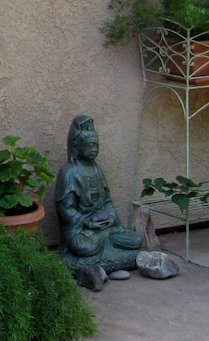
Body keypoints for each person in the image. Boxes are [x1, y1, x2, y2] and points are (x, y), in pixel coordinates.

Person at [54, 115, 143, 273]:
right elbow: (65, 208)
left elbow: (107, 201)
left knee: (136, 240)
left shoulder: (97, 169)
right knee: (83, 247)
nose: (94, 149)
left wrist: (111, 218)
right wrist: (87, 223)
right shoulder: (69, 172)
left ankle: (106, 245)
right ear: (76, 145)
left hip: (105, 227)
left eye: (97, 145)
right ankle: (102, 249)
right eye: (90, 145)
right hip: (83, 230)